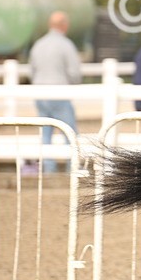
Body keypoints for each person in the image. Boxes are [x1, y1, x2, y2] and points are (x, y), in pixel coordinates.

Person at [29, 11, 81, 174]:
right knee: (69, 132)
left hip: (40, 94)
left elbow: (32, 71)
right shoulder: (66, 45)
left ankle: (48, 169)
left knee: (46, 133)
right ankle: (70, 168)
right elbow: (74, 72)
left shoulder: (38, 44)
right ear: (64, 25)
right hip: (59, 93)